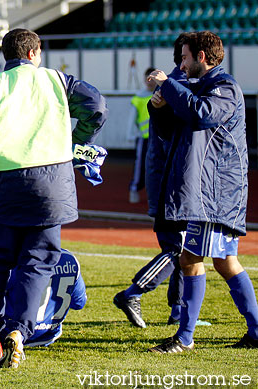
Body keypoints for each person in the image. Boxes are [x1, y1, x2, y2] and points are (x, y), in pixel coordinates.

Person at [0, 28, 106, 368]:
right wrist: (75, 139)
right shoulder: (59, 81)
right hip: (51, 184)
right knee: (37, 261)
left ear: (6, 57)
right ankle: (19, 330)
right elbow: (96, 106)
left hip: (3, 181)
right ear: (35, 53)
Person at [147, 31, 258, 353]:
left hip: (215, 191)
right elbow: (172, 133)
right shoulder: (199, 88)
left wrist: (168, 85)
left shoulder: (224, 87)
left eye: (184, 58)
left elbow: (203, 114)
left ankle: (184, 338)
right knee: (224, 262)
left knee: (190, 259)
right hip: (208, 191)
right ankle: (255, 330)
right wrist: (160, 108)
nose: (180, 64)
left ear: (202, 57)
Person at [113, 33, 211, 329]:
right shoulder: (178, 88)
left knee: (183, 250)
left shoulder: (176, 88)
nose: (184, 61)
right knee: (178, 250)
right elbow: (176, 142)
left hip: (170, 182)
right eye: (183, 57)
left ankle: (178, 312)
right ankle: (132, 293)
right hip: (172, 185)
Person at [127, 67, 155, 204]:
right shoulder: (138, 98)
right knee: (140, 165)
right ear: (144, 80)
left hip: (160, 138)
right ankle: (134, 188)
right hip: (143, 139)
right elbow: (131, 119)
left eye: (153, 79)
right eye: (148, 79)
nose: (150, 82)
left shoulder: (163, 94)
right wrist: (130, 134)